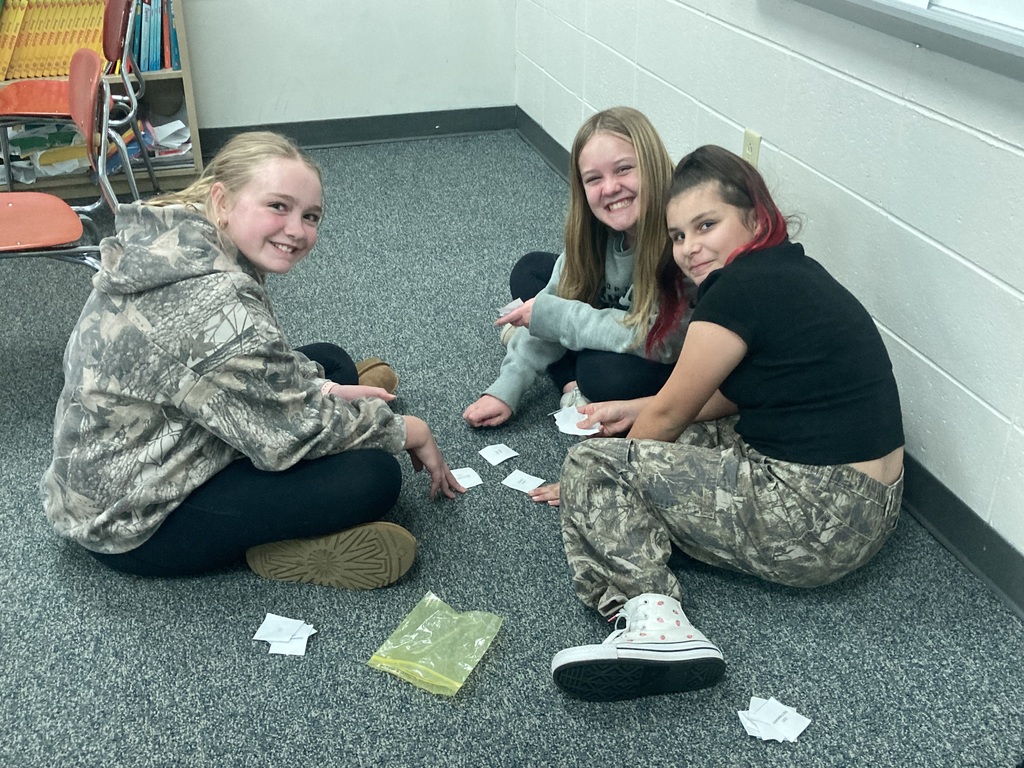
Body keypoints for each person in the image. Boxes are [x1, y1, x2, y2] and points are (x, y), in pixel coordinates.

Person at [550, 145, 905, 702]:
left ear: (756, 219)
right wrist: (634, 412)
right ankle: (621, 506)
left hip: (817, 523)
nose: (690, 248)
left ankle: (655, 625)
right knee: (663, 438)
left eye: (706, 225)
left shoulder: (735, 290)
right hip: (871, 502)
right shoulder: (788, 270)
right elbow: (721, 398)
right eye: (677, 235)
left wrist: (596, 479)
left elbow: (670, 414)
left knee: (591, 462)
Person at [40, 131, 464, 589]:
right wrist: (405, 430)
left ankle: (330, 400)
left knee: (329, 362)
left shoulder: (186, 234)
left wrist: (328, 389)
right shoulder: (215, 301)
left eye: (311, 216)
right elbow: (286, 433)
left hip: (133, 455)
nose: (297, 230)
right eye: (278, 207)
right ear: (223, 201)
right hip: (131, 522)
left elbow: (244, 360)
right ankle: (287, 547)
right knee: (374, 475)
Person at [463, 107, 691, 505]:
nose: (610, 188)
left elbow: (663, 339)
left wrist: (554, 318)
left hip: (665, 357)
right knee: (532, 270)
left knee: (600, 373)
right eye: (594, 179)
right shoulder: (593, 233)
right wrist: (507, 388)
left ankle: (572, 377)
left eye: (624, 170)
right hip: (607, 327)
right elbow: (557, 296)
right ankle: (569, 381)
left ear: (652, 165)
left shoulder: (681, 240)